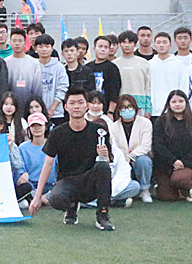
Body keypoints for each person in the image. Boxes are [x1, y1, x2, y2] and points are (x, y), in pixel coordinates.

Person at [28, 87, 115, 231]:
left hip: (90, 181)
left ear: (87, 105)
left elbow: (108, 163)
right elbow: (48, 164)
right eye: (72, 103)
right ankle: (71, 206)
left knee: (103, 166)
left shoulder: (99, 131)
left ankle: (103, 215)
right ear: (66, 107)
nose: (76, 106)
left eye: (80, 102)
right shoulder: (57, 133)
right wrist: (37, 197)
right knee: (55, 199)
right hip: (68, 181)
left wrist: (104, 155)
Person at [152, 90, 192, 202]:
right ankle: (171, 187)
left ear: (186, 103)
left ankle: (186, 189)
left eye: (181, 101)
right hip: (165, 165)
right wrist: (173, 161)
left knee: (179, 178)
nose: (177, 104)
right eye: (174, 102)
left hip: (187, 165)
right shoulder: (161, 122)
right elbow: (158, 145)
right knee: (167, 197)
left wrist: (183, 162)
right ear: (169, 104)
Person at [110, 94, 153, 203]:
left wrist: (131, 156)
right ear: (118, 110)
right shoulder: (113, 126)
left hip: (138, 159)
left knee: (144, 161)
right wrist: (123, 158)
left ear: (135, 108)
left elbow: (145, 146)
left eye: (129, 107)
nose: (127, 110)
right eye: (123, 107)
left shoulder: (145, 123)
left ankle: (145, 190)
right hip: (121, 162)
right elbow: (114, 147)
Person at [19, 112, 56, 207]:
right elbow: (20, 167)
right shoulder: (23, 148)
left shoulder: (54, 145)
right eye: (33, 126)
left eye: (39, 125)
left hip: (51, 185)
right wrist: (23, 173)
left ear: (46, 127)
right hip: (32, 186)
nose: (36, 128)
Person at [149, 32, 187, 123]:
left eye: (164, 42)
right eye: (158, 42)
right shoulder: (149, 64)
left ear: (170, 45)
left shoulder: (178, 63)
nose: (161, 45)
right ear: (154, 45)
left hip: (173, 110)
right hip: (154, 110)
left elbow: (184, 86)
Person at [5, 28, 43, 117]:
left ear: (25, 43)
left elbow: (37, 89)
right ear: (10, 43)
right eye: (14, 41)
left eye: (20, 41)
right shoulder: (5, 62)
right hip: (11, 109)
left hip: (29, 108)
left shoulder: (34, 63)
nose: (17, 43)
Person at [113, 30, 151, 115]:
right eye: (124, 42)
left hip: (140, 105)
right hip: (121, 105)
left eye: (130, 42)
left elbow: (147, 87)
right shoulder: (114, 64)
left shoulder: (144, 63)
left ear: (135, 44)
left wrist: (148, 109)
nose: (127, 45)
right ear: (120, 44)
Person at [34, 34, 69, 127]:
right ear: (36, 49)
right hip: (35, 113)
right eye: (40, 47)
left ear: (52, 48)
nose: (44, 49)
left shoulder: (59, 67)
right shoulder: (32, 65)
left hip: (56, 114)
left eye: (47, 46)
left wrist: (52, 108)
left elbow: (63, 88)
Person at [86, 36, 122, 116]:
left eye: (106, 47)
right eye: (100, 46)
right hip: (88, 110)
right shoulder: (87, 67)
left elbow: (114, 92)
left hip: (105, 111)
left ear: (109, 50)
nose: (102, 49)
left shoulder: (112, 68)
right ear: (94, 48)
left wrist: (110, 112)